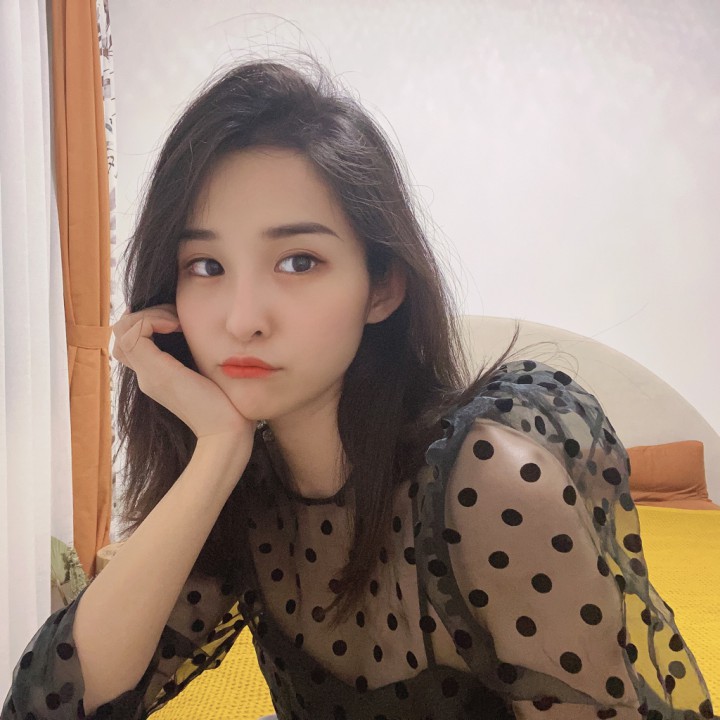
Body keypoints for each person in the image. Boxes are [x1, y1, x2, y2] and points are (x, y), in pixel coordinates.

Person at [2, 54, 716, 720]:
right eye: (206, 267)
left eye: (298, 261)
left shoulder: (489, 479)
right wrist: (218, 450)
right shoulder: (248, 494)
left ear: (382, 288)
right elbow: (49, 706)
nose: (243, 321)